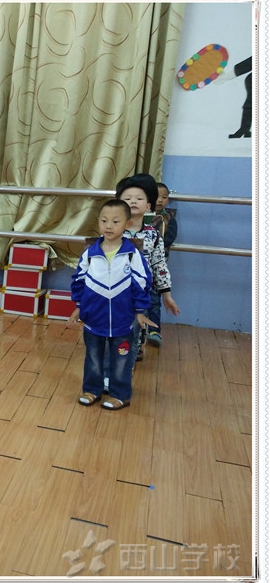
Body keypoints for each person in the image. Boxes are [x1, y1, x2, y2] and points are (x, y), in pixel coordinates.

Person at [69, 199, 154, 410]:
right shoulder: (90, 254)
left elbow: (142, 283)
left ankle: (120, 395)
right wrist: (79, 306)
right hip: (94, 319)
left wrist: (140, 311)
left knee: (121, 360)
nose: (109, 226)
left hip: (123, 321)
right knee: (93, 358)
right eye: (104, 221)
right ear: (98, 221)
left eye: (115, 222)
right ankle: (92, 390)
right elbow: (79, 281)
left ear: (127, 224)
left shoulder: (132, 254)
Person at [115, 173, 181, 360]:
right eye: (127, 198)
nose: (133, 202)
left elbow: (159, 265)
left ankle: (130, 359)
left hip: (140, 294)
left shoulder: (153, 235)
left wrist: (166, 294)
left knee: (135, 330)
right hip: (114, 292)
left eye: (139, 198)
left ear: (149, 206)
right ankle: (113, 362)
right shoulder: (112, 232)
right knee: (112, 330)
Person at [146, 181, 179, 346]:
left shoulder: (169, 218)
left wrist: (155, 244)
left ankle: (154, 330)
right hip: (140, 264)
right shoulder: (142, 216)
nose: (160, 200)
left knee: (154, 300)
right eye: (156, 196)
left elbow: (170, 237)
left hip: (157, 265)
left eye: (164, 197)